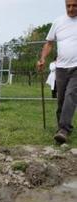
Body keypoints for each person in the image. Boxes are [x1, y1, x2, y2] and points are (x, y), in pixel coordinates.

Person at [37, 0, 77, 144]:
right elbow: (49, 43)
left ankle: (63, 130)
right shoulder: (58, 22)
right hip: (61, 68)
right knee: (61, 100)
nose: (71, 8)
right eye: (68, 6)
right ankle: (63, 126)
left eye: (75, 5)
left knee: (70, 95)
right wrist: (42, 59)